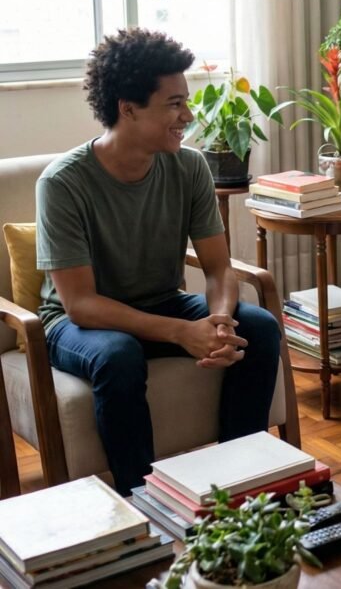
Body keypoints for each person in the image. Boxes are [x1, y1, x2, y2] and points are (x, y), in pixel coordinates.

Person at [35, 28, 281, 495]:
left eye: (185, 102)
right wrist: (182, 332)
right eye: (174, 104)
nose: (188, 116)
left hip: (163, 301)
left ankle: (240, 484)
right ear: (128, 108)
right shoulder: (62, 184)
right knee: (118, 356)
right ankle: (143, 498)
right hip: (77, 325)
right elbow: (80, 305)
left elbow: (217, 269)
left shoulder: (188, 167)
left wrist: (221, 320)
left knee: (260, 326)